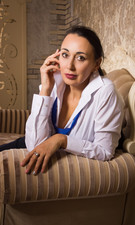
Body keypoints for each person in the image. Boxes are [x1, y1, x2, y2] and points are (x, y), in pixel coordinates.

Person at [1, 26, 124, 175]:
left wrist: (61, 139)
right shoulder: (55, 80)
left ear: (96, 64)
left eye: (81, 58)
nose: (70, 66)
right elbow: (33, 144)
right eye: (65, 55)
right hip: (28, 141)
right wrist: (45, 89)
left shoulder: (106, 92)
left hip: (58, 151)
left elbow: (105, 151)